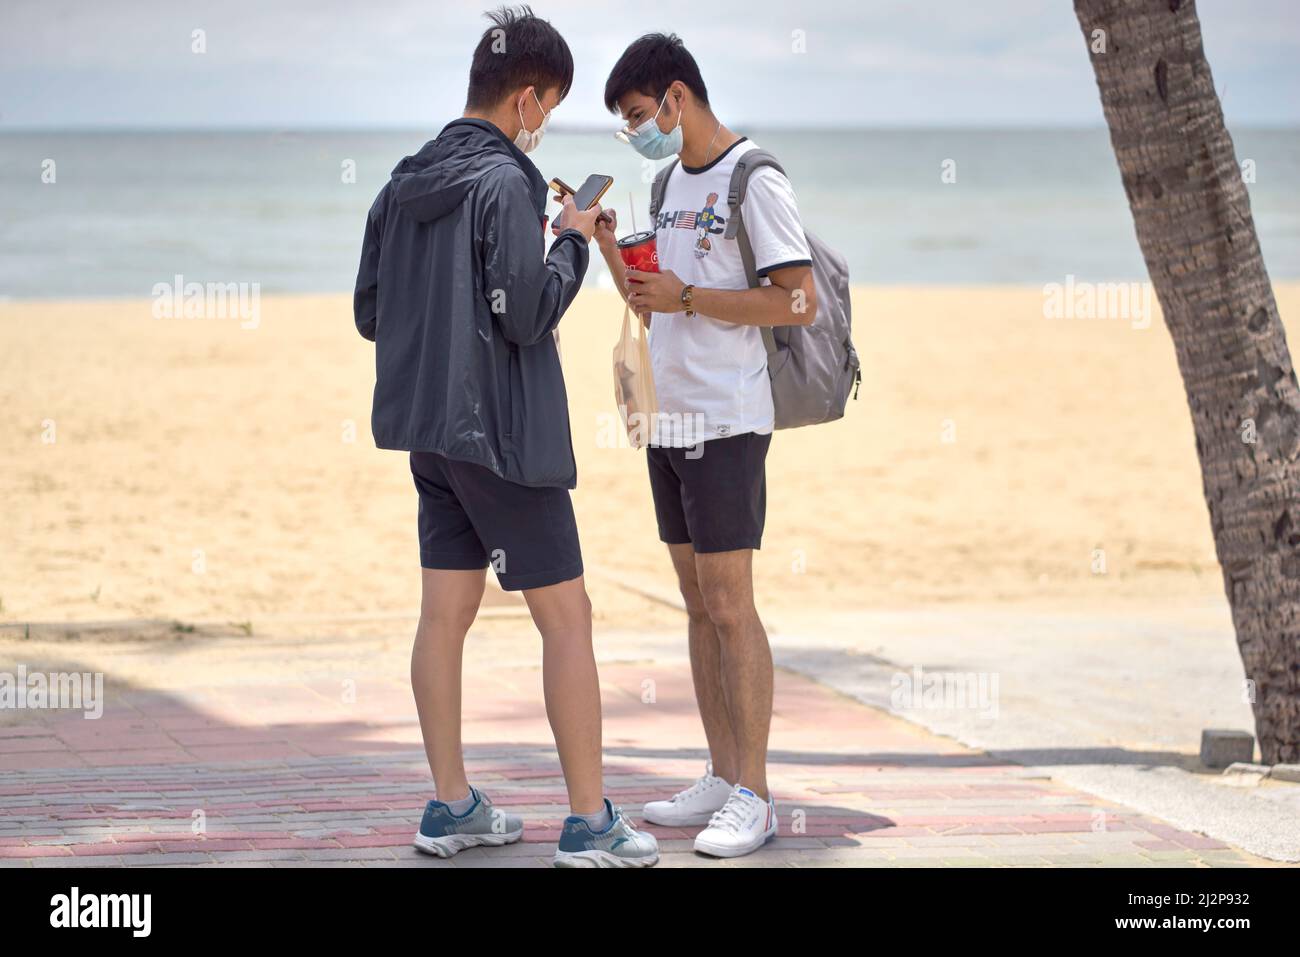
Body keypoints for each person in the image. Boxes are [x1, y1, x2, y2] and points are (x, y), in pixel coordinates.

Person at [353, 5, 658, 868]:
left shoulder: (401, 180)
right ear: (527, 99)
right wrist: (571, 242)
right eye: (549, 108)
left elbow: (371, 312)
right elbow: (525, 315)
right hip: (505, 435)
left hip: (430, 434)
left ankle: (451, 804)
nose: (545, 125)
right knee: (567, 617)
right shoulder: (508, 183)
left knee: (444, 614)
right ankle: (591, 820)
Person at [597, 32, 817, 859]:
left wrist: (690, 295)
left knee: (731, 604)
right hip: (669, 416)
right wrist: (612, 248)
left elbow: (798, 302)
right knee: (695, 604)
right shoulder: (666, 179)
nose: (636, 132)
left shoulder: (754, 175)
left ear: (677, 97)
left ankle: (756, 793)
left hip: (728, 419)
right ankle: (722, 776)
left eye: (638, 115)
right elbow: (656, 303)